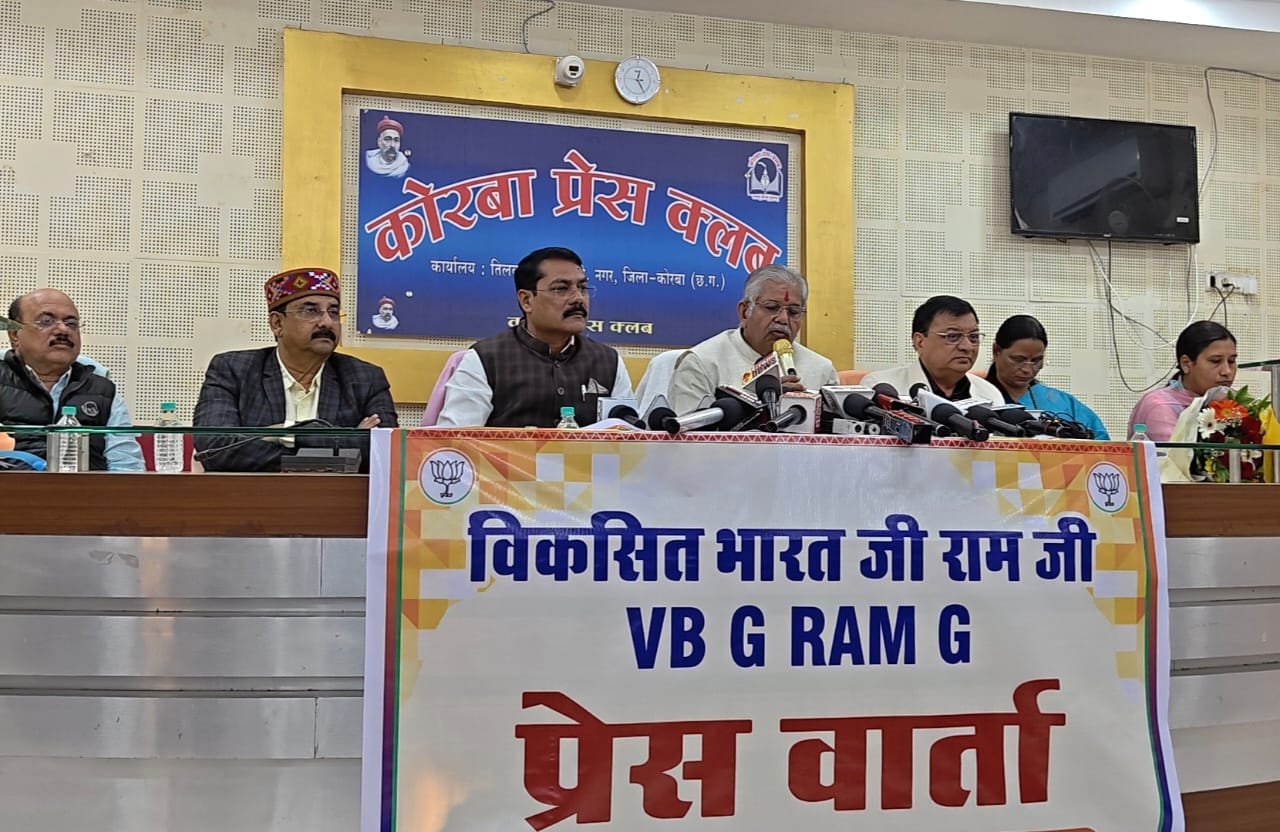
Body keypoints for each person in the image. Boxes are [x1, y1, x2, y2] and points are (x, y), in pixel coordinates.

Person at [193, 267, 398, 471]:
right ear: (277, 324)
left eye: (334, 312)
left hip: (336, 493)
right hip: (254, 493)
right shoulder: (233, 370)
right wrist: (343, 446)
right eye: (311, 311)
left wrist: (289, 433)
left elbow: (386, 453)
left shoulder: (366, 378)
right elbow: (215, 449)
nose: (327, 322)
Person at [437, 246, 632, 427]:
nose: (578, 298)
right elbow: (454, 441)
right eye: (561, 289)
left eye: (582, 288)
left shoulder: (609, 362)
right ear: (526, 300)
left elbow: (628, 439)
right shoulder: (486, 360)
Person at [1, 289, 144, 471]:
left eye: (71, 323)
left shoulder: (103, 391)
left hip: (87, 488)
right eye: (46, 321)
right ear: (14, 334)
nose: (63, 330)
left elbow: (127, 467)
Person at [665, 264, 838, 414]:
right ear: (744, 312)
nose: (783, 319)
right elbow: (690, 435)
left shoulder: (821, 369)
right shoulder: (702, 363)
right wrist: (763, 404)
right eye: (772, 307)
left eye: (794, 312)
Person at [986, 314, 1110, 439]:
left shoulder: (1063, 403)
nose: (1027, 370)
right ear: (996, 351)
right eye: (1018, 360)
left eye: (1036, 360)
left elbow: (1101, 444)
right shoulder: (980, 396)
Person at [863, 295, 1004, 402]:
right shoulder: (881, 387)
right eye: (953, 336)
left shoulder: (989, 395)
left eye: (973, 337)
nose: (966, 347)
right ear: (920, 342)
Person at [1128, 320, 1237, 441]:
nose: (1227, 371)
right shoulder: (1161, 405)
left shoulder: (1235, 407)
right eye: (1215, 361)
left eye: (1231, 361)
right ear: (1186, 364)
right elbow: (1175, 453)